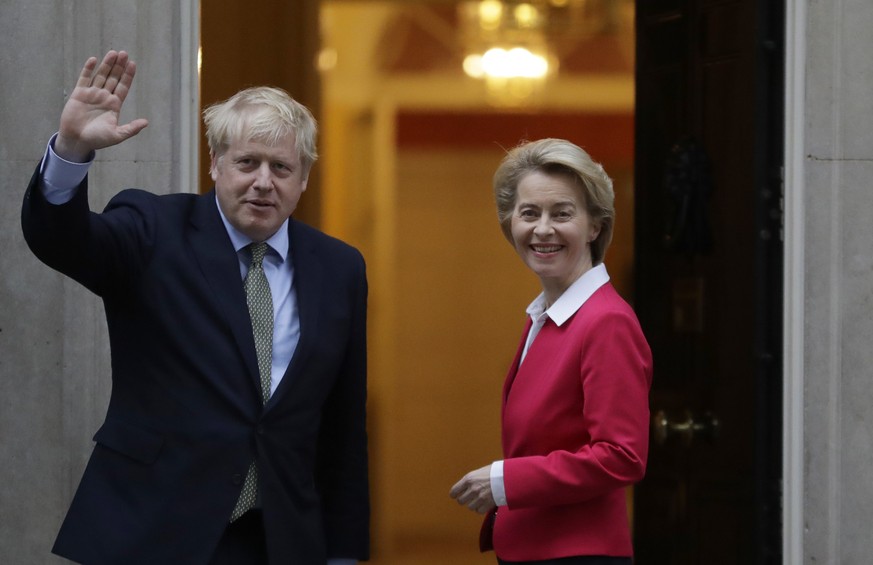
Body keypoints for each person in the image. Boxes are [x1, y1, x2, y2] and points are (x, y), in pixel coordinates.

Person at [21, 50, 369, 565]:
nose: (263, 182)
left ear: (305, 177)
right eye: (247, 162)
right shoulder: (154, 227)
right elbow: (62, 241)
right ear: (216, 164)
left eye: (281, 167)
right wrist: (72, 149)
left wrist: (342, 553)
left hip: (279, 538)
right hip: (154, 528)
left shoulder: (339, 267)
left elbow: (342, 424)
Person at [450, 138, 653, 565]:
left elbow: (622, 457)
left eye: (562, 213)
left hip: (578, 554)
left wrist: (504, 482)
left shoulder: (605, 321)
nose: (543, 229)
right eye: (529, 214)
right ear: (510, 224)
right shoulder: (548, 315)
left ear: (595, 226)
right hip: (534, 549)